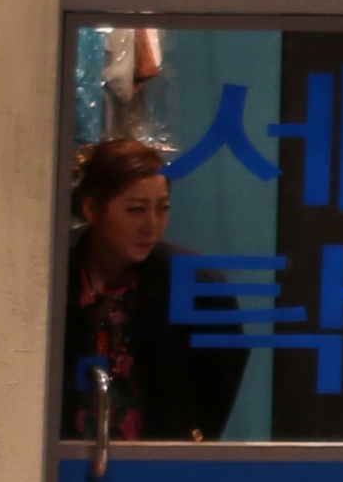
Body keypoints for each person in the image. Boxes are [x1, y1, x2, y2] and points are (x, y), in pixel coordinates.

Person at [64, 134, 234, 444]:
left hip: (157, 462)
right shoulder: (53, 276)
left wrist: (189, 442)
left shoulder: (196, 285)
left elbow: (215, 392)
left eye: (163, 208)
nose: (152, 226)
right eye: (136, 210)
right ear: (91, 209)